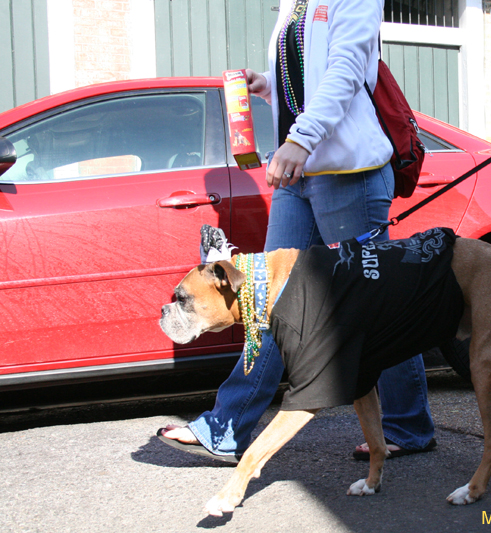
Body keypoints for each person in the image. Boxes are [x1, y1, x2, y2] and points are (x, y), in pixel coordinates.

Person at [157, 0, 436, 463]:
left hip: (349, 172)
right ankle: (227, 426)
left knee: (374, 307)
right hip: (297, 176)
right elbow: (306, 80)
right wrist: (268, 89)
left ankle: (408, 425)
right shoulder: (295, 4)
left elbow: (346, 73)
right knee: (265, 298)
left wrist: (300, 138)